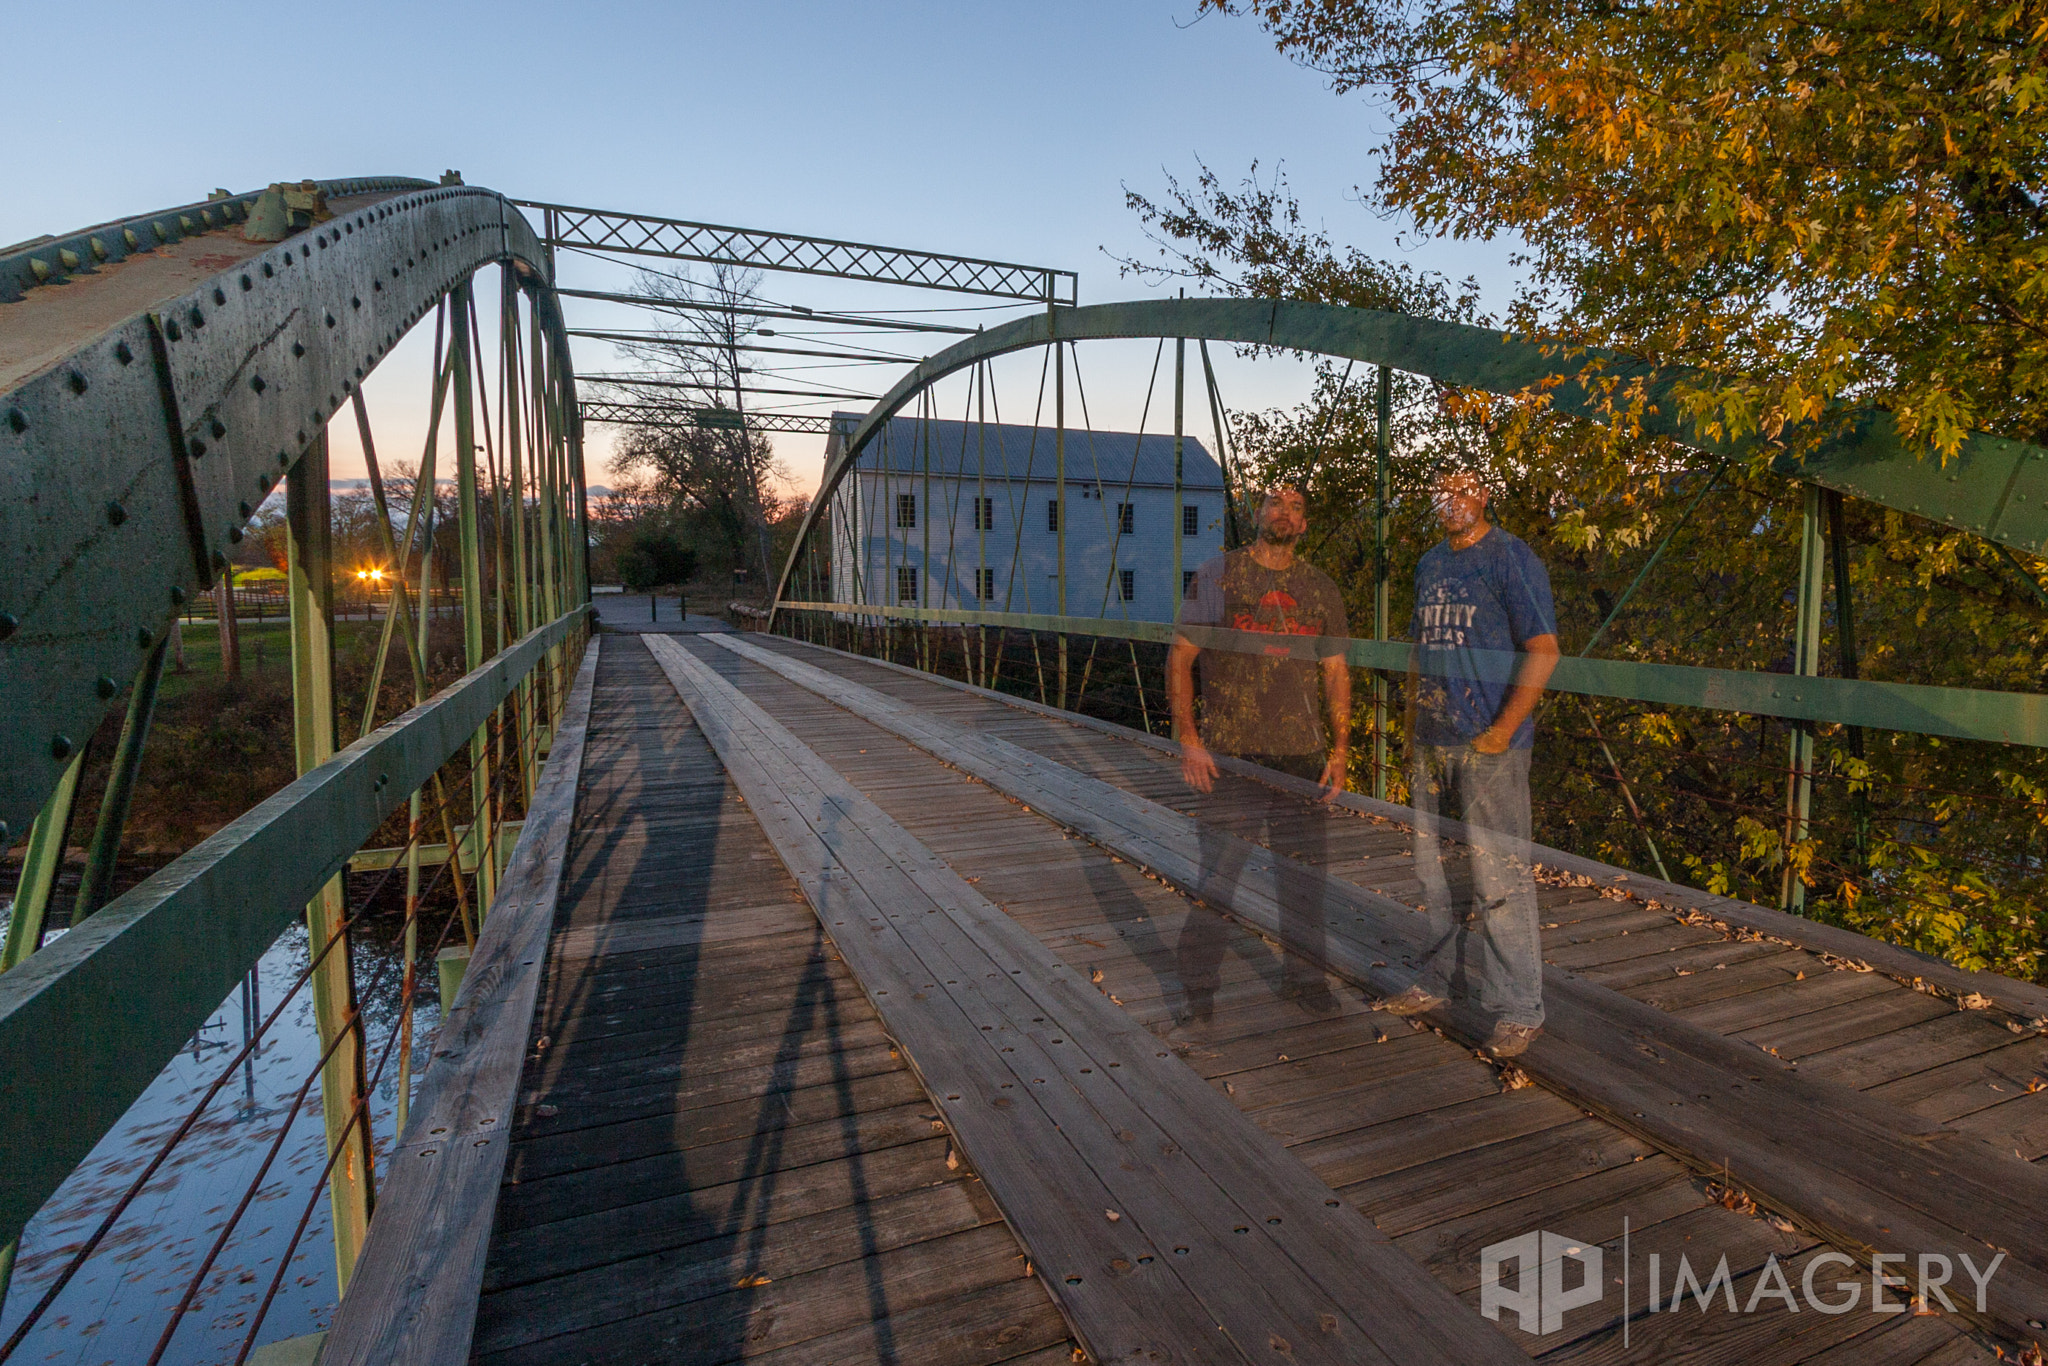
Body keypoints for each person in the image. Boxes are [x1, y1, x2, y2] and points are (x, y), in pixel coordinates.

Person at [1377, 468, 1559, 1058]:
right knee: (1434, 869)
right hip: (1433, 736)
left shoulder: (1511, 557)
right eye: (1440, 490)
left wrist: (1504, 729)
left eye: (1463, 489)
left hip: (1490, 743)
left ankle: (1518, 1007)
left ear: (1484, 496)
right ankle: (1437, 981)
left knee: (1498, 875)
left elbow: (1544, 649)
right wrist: (1409, 728)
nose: (1451, 500)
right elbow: (1417, 650)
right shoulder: (1430, 563)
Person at [1167, 485, 1351, 1023]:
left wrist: (1340, 750)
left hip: (1300, 752)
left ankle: (1305, 981)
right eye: (1276, 502)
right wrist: (1190, 740)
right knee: (1218, 877)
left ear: (1306, 524)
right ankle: (1199, 988)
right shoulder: (1219, 574)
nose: (1285, 513)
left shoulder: (1320, 589)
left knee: (1304, 879)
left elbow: (1336, 672)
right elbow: (1181, 658)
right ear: (1257, 513)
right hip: (1232, 751)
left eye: (1297, 507)